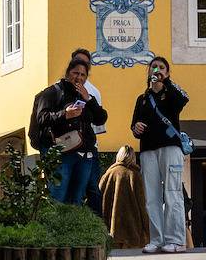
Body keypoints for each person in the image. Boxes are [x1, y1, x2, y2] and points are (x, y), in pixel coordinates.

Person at [131, 55, 189, 256]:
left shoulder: (171, 93)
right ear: (148, 71)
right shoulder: (142, 99)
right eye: (153, 66)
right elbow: (135, 124)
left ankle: (176, 240)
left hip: (170, 148)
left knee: (172, 192)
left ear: (167, 72)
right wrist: (136, 127)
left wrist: (166, 83)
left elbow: (182, 101)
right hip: (148, 150)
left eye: (161, 67)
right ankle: (156, 239)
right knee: (152, 197)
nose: (157, 69)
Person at [32, 58, 108, 206]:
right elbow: (41, 117)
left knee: (77, 200)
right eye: (75, 73)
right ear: (68, 73)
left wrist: (89, 99)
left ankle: (72, 229)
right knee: (57, 198)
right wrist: (64, 114)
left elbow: (101, 118)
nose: (79, 77)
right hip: (61, 154)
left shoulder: (85, 95)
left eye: (83, 75)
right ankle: (54, 228)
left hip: (84, 153)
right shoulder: (53, 92)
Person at [70, 47, 104, 216]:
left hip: (90, 148)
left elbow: (100, 121)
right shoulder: (59, 87)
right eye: (78, 62)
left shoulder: (94, 91)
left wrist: (88, 100)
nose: (80, 71)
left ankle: (97, 227)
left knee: (92, 188)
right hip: (68, 147)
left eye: (85, 64)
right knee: (71, 189)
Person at [99, 145, 150, 248]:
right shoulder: (135, 175)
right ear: (133, 157)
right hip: (133, 231)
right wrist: (147, 229)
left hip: (112, 230)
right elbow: (142, 203)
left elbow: (99, 193)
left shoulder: (109, 173)